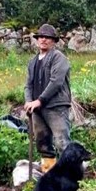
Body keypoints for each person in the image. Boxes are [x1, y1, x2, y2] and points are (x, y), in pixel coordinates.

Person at [24, 24, 72, 173]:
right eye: (41, 37)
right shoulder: (32, 62)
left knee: (61, 141)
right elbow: (28, 85)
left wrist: (39, 100)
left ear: (53, 41)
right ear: (37, 40)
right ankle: (49, 172)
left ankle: (70, 175)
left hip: (56, 106)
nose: (43, 40)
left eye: (48, 38)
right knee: (42, 141)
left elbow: (56, 82)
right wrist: (28, 101)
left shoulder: (59, 58)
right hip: (38, 109)